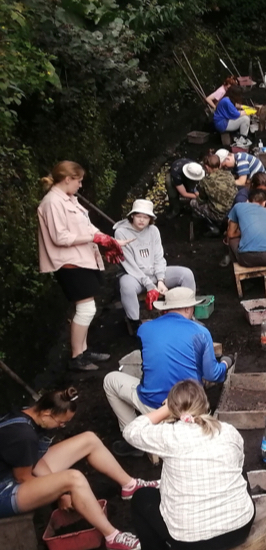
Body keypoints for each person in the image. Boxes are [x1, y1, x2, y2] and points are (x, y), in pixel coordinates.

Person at [123, 380, 255, 550]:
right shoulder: (227, 431)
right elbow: (238, 463)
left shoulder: (169, 436)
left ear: (174, 409)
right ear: (205, 403)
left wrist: (166, 409)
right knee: (238, 472)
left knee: (142, 498)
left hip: (191, 543)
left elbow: (131, 431)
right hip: (241, 528)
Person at [0, 387, 147, 550]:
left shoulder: (29, 414)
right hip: (5, 490)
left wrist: (55, 485)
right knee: (73, 479)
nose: (62, 426)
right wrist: (59, 494)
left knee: (89, 439)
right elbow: (23, 478)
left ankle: (129, 485)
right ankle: (112, 537)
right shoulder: (23, 435)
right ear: (47, 413)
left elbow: (34, 459)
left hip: (13, 471)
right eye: (61, 422)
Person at [103, 285, 230, 452]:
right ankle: (140, 440)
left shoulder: (145, 329)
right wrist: (226, 363)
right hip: (189, 407)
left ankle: (134, 442)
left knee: (110, 379)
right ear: (187, 308)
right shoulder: (200, 332)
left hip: (153, 405)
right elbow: (213, 374)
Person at [37, 161, 122, 371]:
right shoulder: (51, 203)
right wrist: (95, 237)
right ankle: (76, 357)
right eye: (79, 180)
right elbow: (60, 237)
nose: (81, 185)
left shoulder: (69, 199)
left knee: (86, 307)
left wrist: (107, 239)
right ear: (68, 179)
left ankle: (83, 350)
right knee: (86, 308)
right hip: (68, 262)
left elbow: (86, 226)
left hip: (82, 258)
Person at [112, 199, 197, 330]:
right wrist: (150, 285)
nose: (141, 220)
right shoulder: (121, 232)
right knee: (126, 285)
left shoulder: (153, 230)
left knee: (186, 274)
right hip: (134, 275)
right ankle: (135, 323)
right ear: (132, 216)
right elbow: (129, 265)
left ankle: (187, 315)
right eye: (139, 216)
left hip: (153, 272)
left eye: (145, 217)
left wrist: (160, 280)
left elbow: (158, 257)